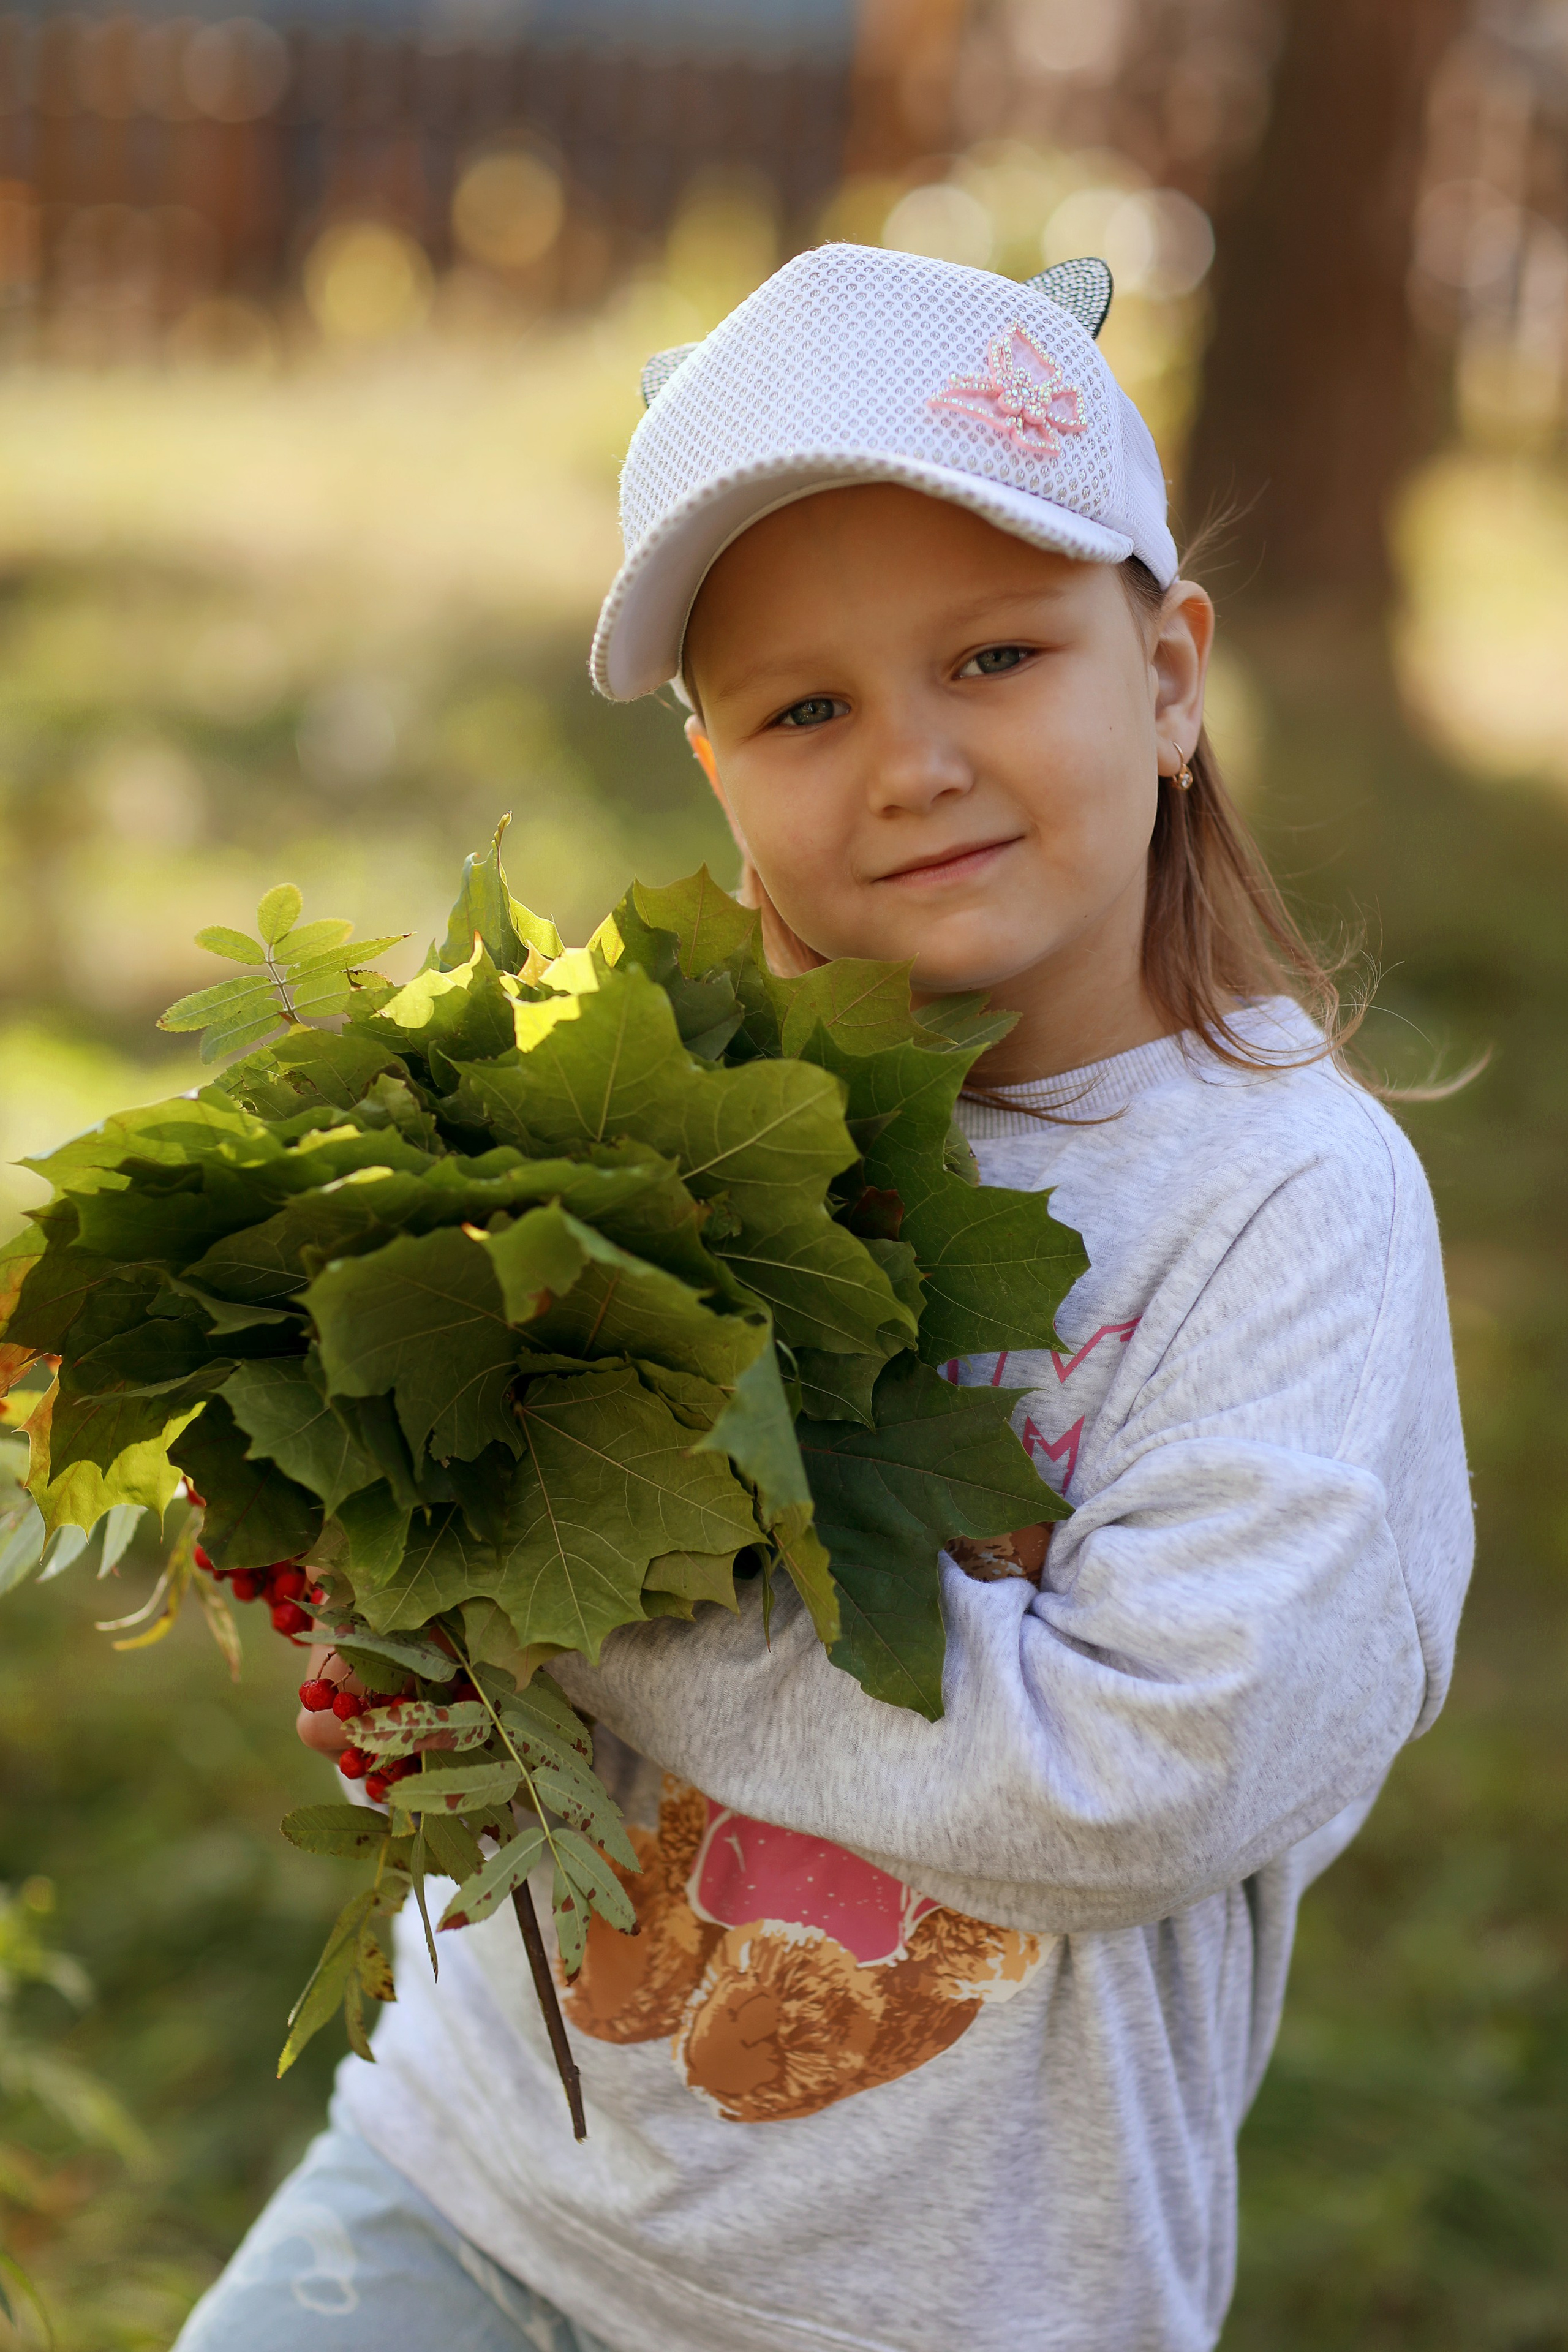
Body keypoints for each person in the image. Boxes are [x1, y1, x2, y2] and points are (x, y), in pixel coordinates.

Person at [176, 244, 1472, 2352]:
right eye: (806, 706)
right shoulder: (655, 1114)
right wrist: (423, 1609)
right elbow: (473, 1643)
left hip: (927, 2309)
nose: (911, 762)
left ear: (1166, 674)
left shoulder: (1290, 1209)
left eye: (991, 656)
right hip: (473, 2180)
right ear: (715, 774)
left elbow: (1145, 1773)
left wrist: (618, 1587)